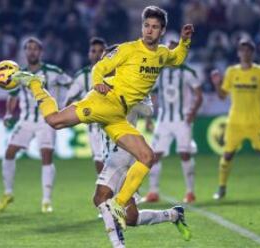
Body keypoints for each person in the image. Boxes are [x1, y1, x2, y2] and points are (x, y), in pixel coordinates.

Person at [12, 6, 194, 229]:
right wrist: (97, 81)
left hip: (118, 116)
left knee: (147, 156)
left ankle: (119, 203)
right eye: (146, 26)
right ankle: (35, 83)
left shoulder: (162, 53)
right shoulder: (128, 49)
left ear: (162, 31)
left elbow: (176, 58)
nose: (149, 31)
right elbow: (101, 66)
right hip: (104, 101)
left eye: (155, 27)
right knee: (54, 121)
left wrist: (185, 42)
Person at [94, 96, 191, 247]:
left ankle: (118, 245)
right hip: (109, 155)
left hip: (124, 154)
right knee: (131, 218)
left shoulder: (132, 87)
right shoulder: (98, 89)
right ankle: (174, 214)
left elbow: (148, 110)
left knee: (101, 197)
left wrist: (126, 102)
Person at [0, 37, 72, 213]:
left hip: (47, 120)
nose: (32, 51)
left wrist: (66, 102)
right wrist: (8, 113)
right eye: (29, 48)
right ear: (25, 52)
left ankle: (46, 200)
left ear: (41, 52)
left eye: (35, 48)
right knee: (9, 152)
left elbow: (71, 83)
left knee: (46, 156)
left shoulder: (53, 71)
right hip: (26, 120)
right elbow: (13, 95)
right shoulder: (18, 74)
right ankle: (8, 193)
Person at [210, 37, 260, 200]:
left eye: (248, 50)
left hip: (256, 122)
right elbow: (222, 96)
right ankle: (221, 188)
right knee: (227, 157)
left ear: (252, 52)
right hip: (235, 123)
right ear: (238, 53)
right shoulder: (232, 72)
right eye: (242, 50)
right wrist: (217, 84)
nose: (245, 53)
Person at [143, 39, 203, 204]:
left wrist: (193, 112)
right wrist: (149, 118)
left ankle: (190, 192)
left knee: (184, 154)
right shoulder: (158, 72)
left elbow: (199, 94)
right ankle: (153, 192)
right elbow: (152, 96)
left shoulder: (188, 72)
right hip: (163, 119)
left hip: (182, 119)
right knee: (154, 156)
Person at [65, 37, 107, 174]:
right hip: (94, 126)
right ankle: (106, 193)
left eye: (101, 51)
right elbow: (69, 98)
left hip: (114, 123)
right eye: (93, 51)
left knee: (121, 160)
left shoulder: (116, 73)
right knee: (99, 159)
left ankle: (129, 193)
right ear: (89, 54)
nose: (97, 54)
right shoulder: (82, 76)